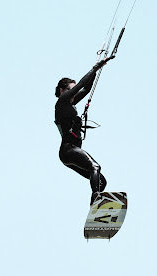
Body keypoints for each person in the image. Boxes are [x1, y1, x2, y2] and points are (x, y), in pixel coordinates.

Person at [54, 56, 115, 204]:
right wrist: (94, 68)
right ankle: (97, 198)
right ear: (62, 91)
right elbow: (82, 84)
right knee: (95, 167)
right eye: (70, 90)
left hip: (70, 153)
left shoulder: (71, 102)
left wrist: (97, 70)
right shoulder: (62, 102)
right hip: (68, 149)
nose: (73, 93)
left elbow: (86, 88)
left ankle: (95, 207)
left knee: (101, 181)